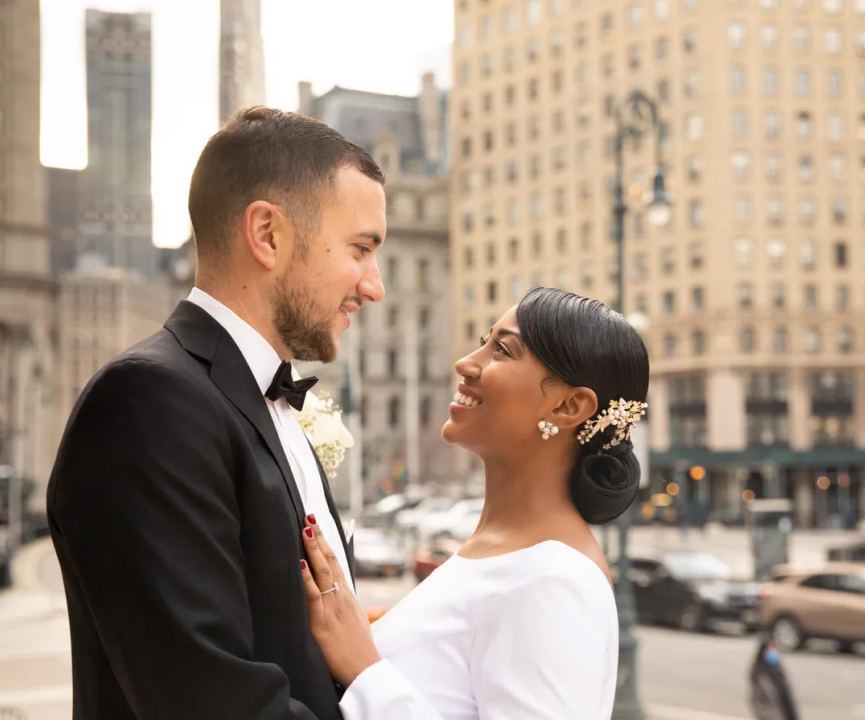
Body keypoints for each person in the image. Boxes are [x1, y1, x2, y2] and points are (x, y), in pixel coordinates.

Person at [47, 107, 387, 720]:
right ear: (267, 234)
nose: (374, 284)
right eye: (361, 249)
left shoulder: (263, 402)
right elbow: (212, 701)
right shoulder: (148, 405)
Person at [299, 287, 649, 719]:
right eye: (484, 341)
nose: (466, 363)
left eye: (501, 349)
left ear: (569, 406)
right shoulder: (504, 555)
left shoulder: (553, 580)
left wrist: (362, 669)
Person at [748, 639, 801, 720]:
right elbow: (758, 703)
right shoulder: (759, 675)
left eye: (775, 649)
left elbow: (786, 697)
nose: (775, 653)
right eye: (771, 649)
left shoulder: (778, 670)